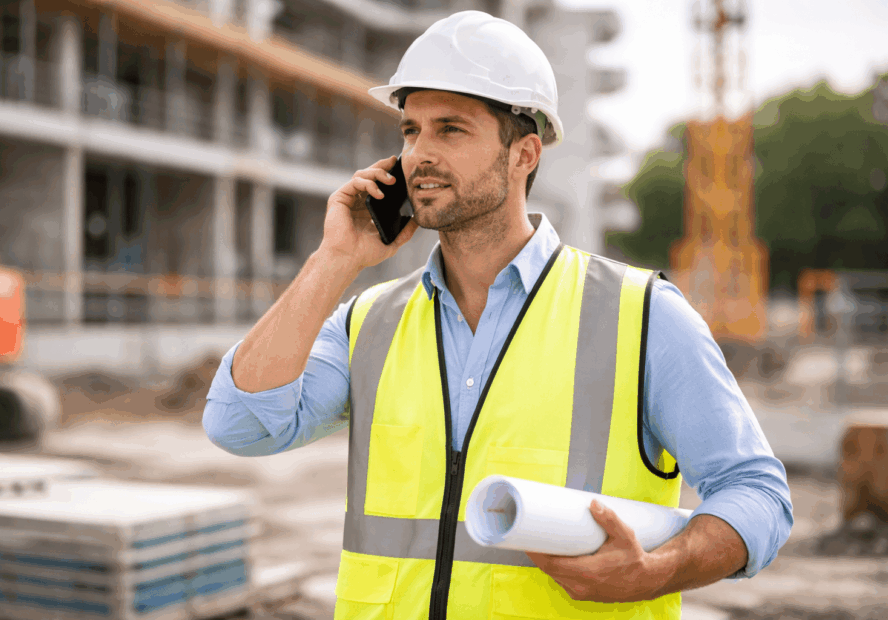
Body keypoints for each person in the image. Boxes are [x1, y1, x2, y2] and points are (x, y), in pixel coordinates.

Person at [204, 10, 793, 619]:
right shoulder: (370, 321)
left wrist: (655, 572)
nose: (417, 156)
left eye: (450, 130)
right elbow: (240, 425)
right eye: (411, 131)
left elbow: (759, 496)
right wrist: (335, 259)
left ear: (524, 154)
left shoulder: (642, 316)